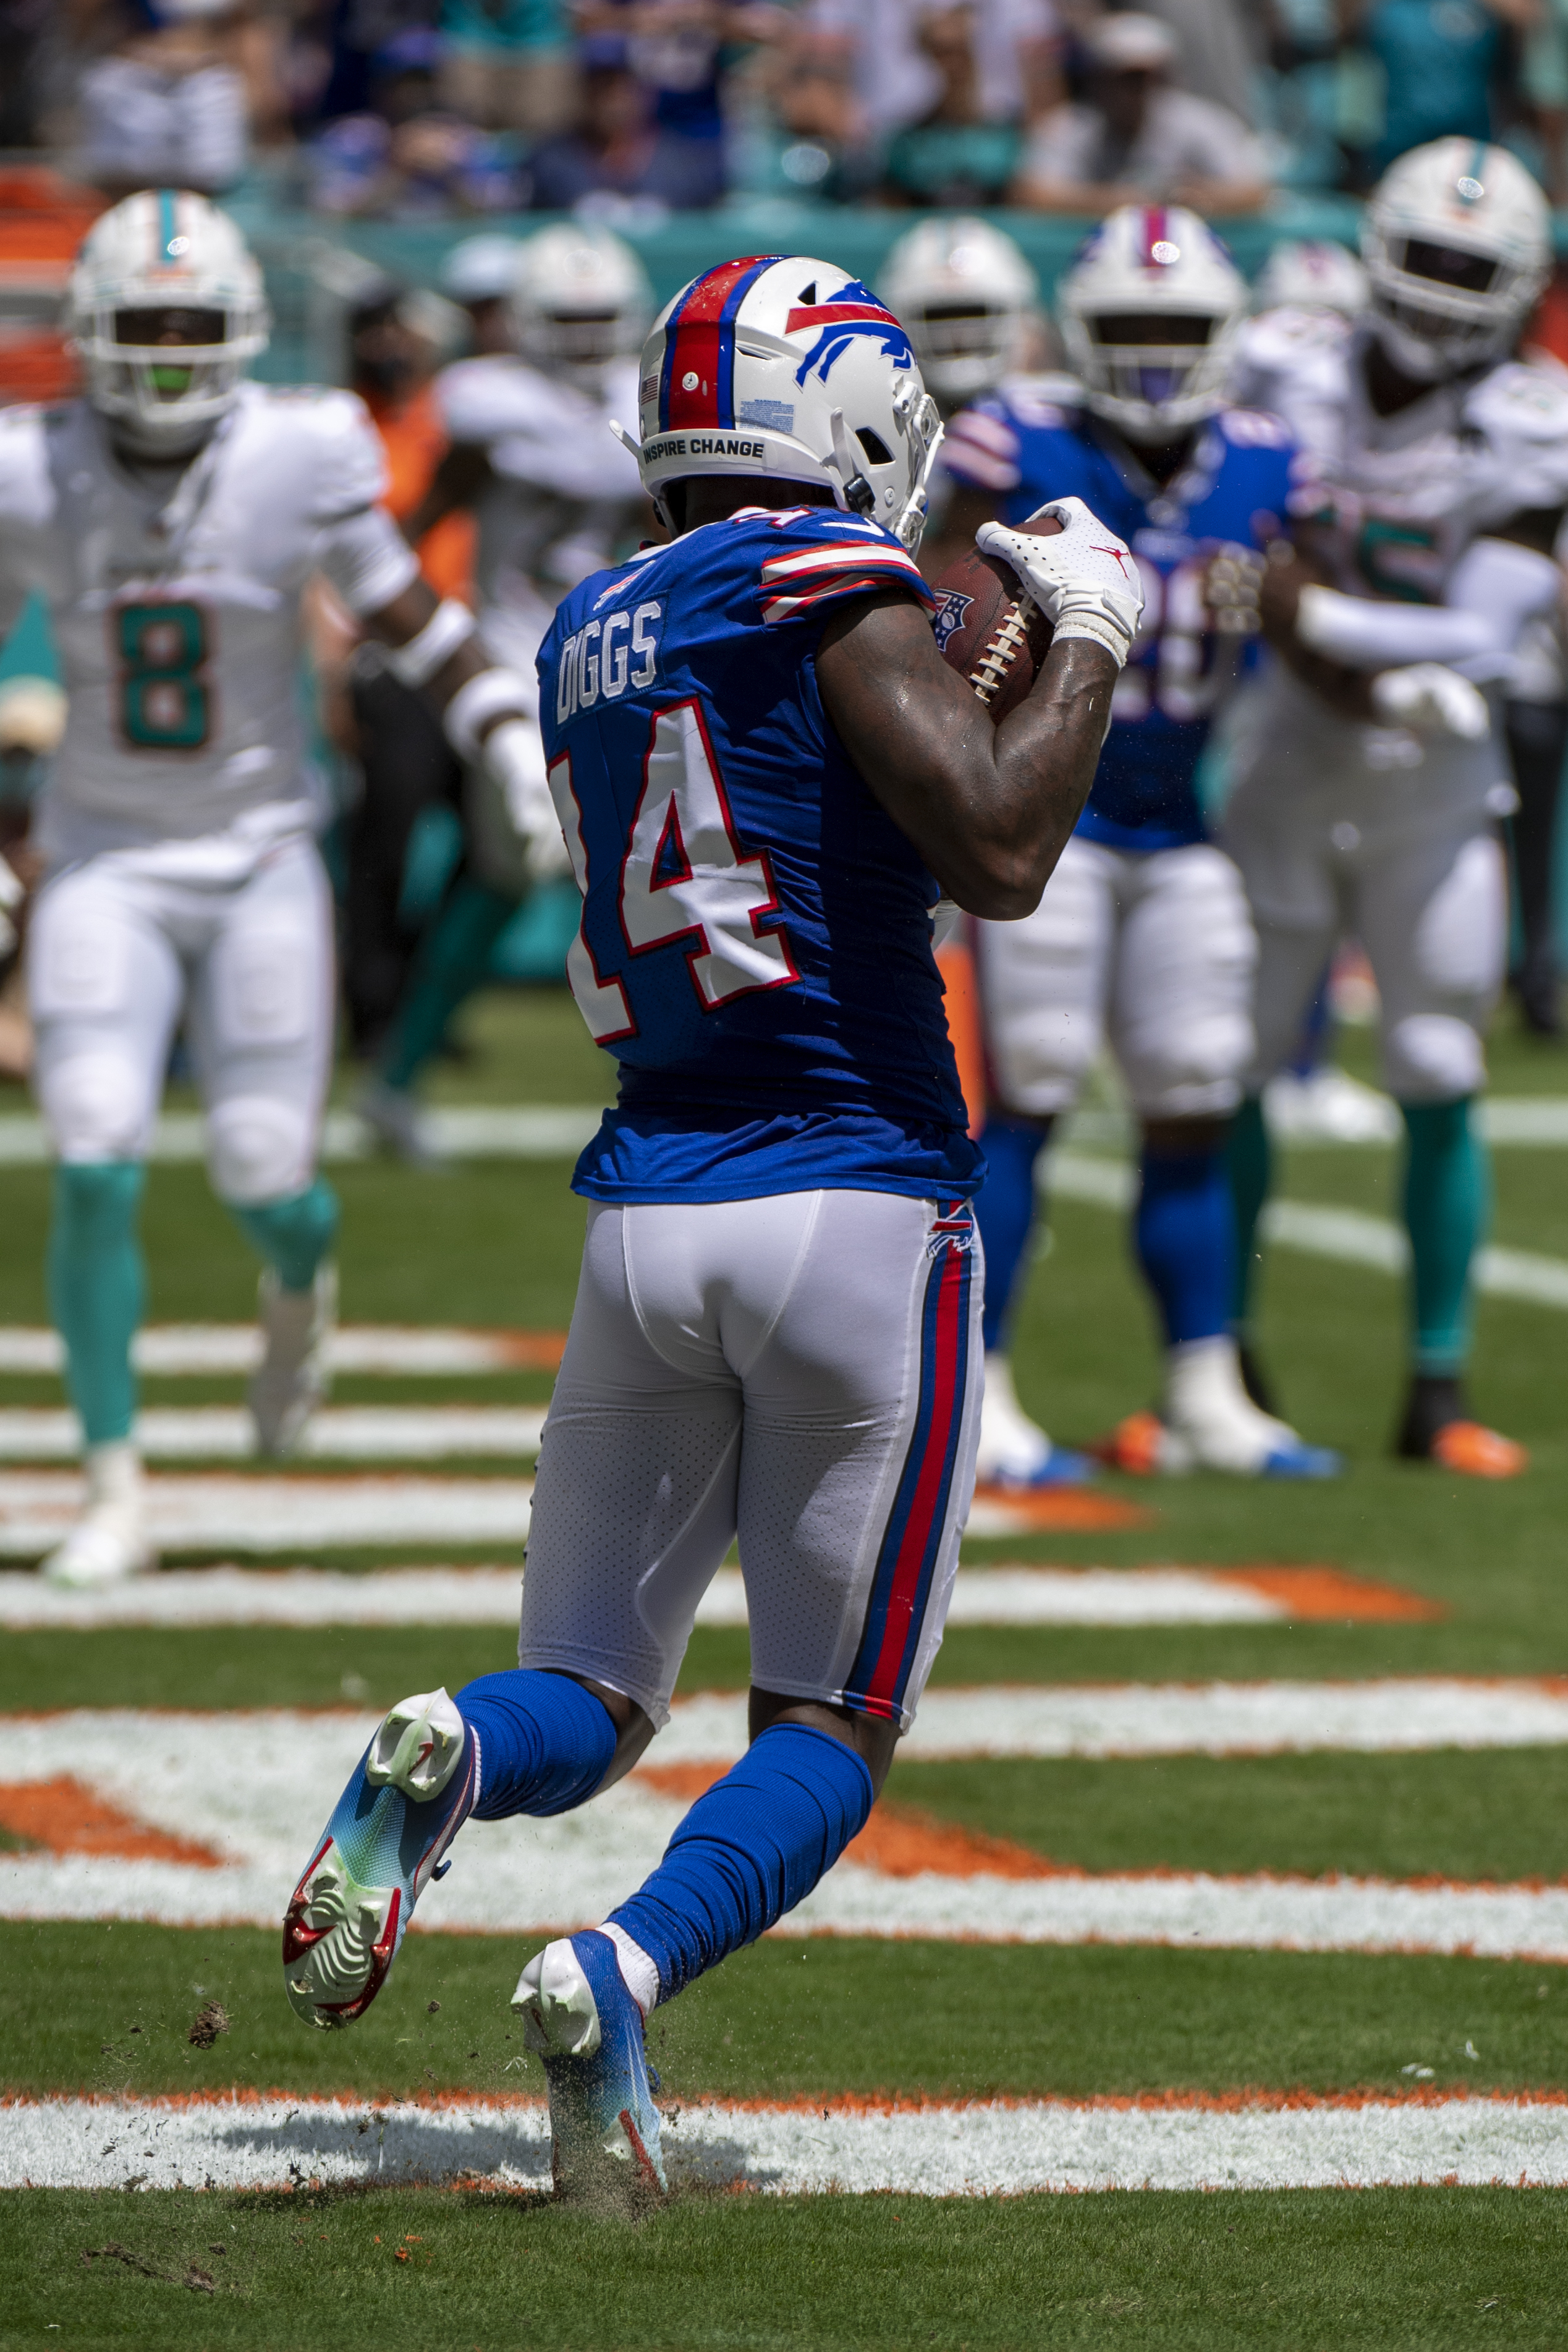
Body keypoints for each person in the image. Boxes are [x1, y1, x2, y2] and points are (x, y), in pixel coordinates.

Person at [282, 252, 1141, 2202]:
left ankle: (447, 1746)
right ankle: (618, 1960)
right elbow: (995, 847)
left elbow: (821, 806)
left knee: (581, 1696)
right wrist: (1081, 633)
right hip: (851, 1198)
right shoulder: (825, 578)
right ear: (828, 414)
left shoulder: (584, 618)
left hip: (642, 1211)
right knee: (829, 1720)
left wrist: (979, 648)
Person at [0, 189, 566, 1584]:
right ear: (89, 335)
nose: (173, 354)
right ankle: (113, 1480)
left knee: (270, 1176)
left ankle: (299, 1278)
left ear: (245, 331)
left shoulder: (298, 450)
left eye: (196, 324)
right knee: (91, 1149)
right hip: (102, 855)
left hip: (259, 855)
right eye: (147, 326)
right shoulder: (30, 464)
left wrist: (500, 733)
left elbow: (410, 617)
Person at [937, 204, 1339, 1485]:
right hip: (1047, 823)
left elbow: (1315, 617)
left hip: (1183, 824)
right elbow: (937, 604)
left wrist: (1285, 607)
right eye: (1131, 328)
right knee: (1030, 1092)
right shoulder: (1018, 436)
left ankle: (1201, 1389)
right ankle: (981, 1389)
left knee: (1190, 1100)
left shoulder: (1267, 458)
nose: (1156, 357)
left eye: (1178, 330)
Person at [1223, 138, 1568, 1474]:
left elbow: (1480, 638)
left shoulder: (1532, 416)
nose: (1435, 292)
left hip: (1431, 772)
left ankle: (1435, 1383)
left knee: (1435, 1062)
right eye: (1422, 257)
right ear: (1372, 247)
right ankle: (1221, 1357)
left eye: (1467, 272)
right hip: (1285, 753)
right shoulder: (1284, 365)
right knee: (1230, 1062)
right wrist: (1317, 621)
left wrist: (1301, 606)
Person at [355, 222, 648, 1163]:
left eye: (599, 316)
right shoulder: (493, 401)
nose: (583, 335)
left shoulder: (636, 404)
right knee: (517, 865)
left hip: (624, 666)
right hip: (515, 674)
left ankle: (404, 1067)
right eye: (565, 317)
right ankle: (399, 1069)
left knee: (597, 874)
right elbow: (433, 507)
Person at [1014, 11, 1272, 215]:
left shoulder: (1202, 121)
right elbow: (1032, 194)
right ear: (1099, 80)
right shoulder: (1071, 126)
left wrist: (1189, 197)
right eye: (1127, 78)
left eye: (1151, 78)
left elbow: (1254, 192)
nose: (1140, 90)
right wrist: (1120, 202)